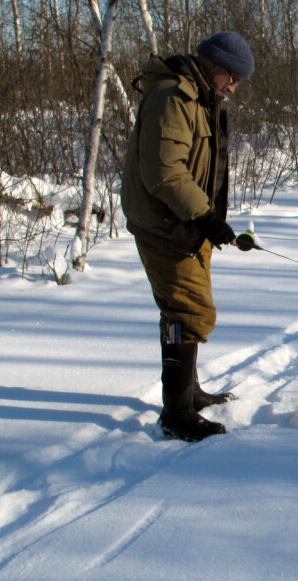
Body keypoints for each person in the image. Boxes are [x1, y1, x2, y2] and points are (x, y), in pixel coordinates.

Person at [121, 31, 255, 442]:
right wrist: (206, 217)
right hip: (167, 223)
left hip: (185, 222)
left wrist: (207, 219)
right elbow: (164, 172)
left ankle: (189, 392)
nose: (233, 87)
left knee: (182, 310)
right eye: (231, 78)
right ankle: (176, 414)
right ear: (214, 66)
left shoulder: (200, 97)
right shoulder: (173, 98)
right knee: (189, 312)